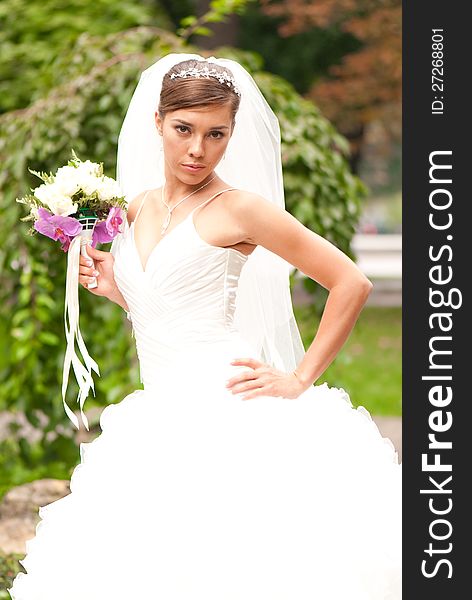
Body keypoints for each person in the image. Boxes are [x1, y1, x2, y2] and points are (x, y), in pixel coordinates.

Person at [9, 53, 401, 600]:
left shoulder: (240, 208)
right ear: (157, 124)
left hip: (230, 410)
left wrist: (299, 377)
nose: (198, 149)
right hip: (157, 415)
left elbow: (351, 283)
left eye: (217, 134)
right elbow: (166, 310)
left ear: (232, 134)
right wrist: (116, 286)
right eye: (184, 130)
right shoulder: (133, 206)